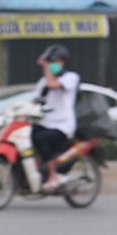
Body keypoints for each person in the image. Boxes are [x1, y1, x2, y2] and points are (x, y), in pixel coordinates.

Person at [30, 44, 80, 194]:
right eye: (51, 62)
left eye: (55, 62)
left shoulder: (71, 78)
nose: (52, 65)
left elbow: (53, 84)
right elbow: (34, 100)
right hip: (46, 122)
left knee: (42, 139)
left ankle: (53, 176)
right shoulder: (42, 82)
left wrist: (46, 67)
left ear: (62, 62)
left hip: (63, 126)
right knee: (29, 133)